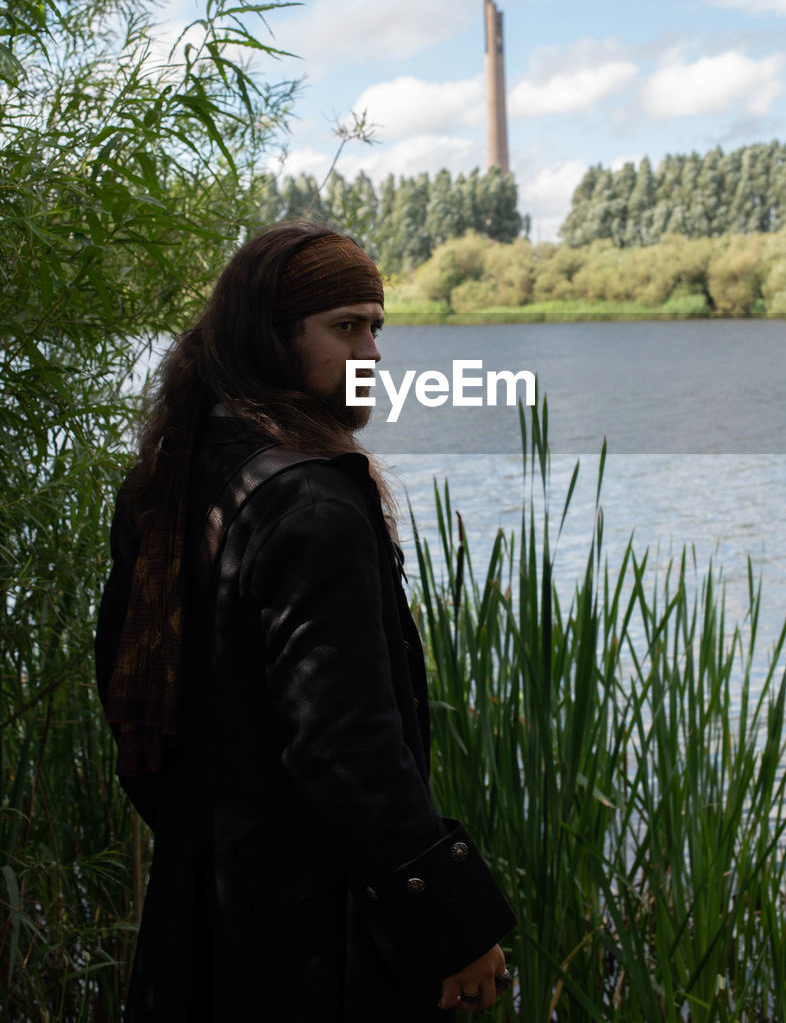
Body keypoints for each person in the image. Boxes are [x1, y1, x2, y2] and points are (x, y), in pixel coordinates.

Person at [96, 220, 516, 1022]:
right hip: (314, 949)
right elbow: (347, 746)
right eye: (345, 327)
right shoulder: (310, 504)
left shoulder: (174, 474)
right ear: (272, 337)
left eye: (376, 326)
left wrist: (206, 830)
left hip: (204, 916)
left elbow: (128, 698)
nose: (371, 353)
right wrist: (456, 927)